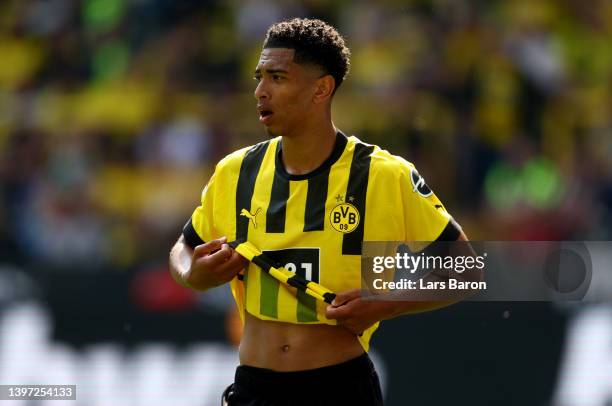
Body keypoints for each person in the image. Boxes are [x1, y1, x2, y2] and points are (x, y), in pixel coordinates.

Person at [169, 18, 474, 406]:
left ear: (321, 89)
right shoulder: (236, 172)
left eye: (277, 78)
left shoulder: (382, 175)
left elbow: (466, 270)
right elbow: (183, 247)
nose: (260, 91)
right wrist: (192, 274)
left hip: (340, 389)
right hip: (253, 389)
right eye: (259, 77)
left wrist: (388, 303)